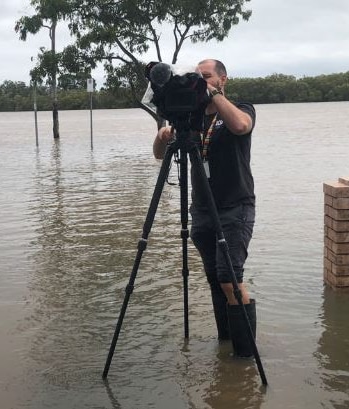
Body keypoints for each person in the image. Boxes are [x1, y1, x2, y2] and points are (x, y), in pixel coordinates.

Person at [152, 59, 257, 357]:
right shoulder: (190, 117)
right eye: (197, 78)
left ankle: (245, 358)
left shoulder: (240, 108)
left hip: (236, 206)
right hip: (202, 210)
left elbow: (240, 126)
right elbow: (160, 156)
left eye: (207, 76)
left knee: (229, 277)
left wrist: (212, 94)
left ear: (223, 79)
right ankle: (227, 343)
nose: (201, 81)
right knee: (215, 279)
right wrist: (162, 136)